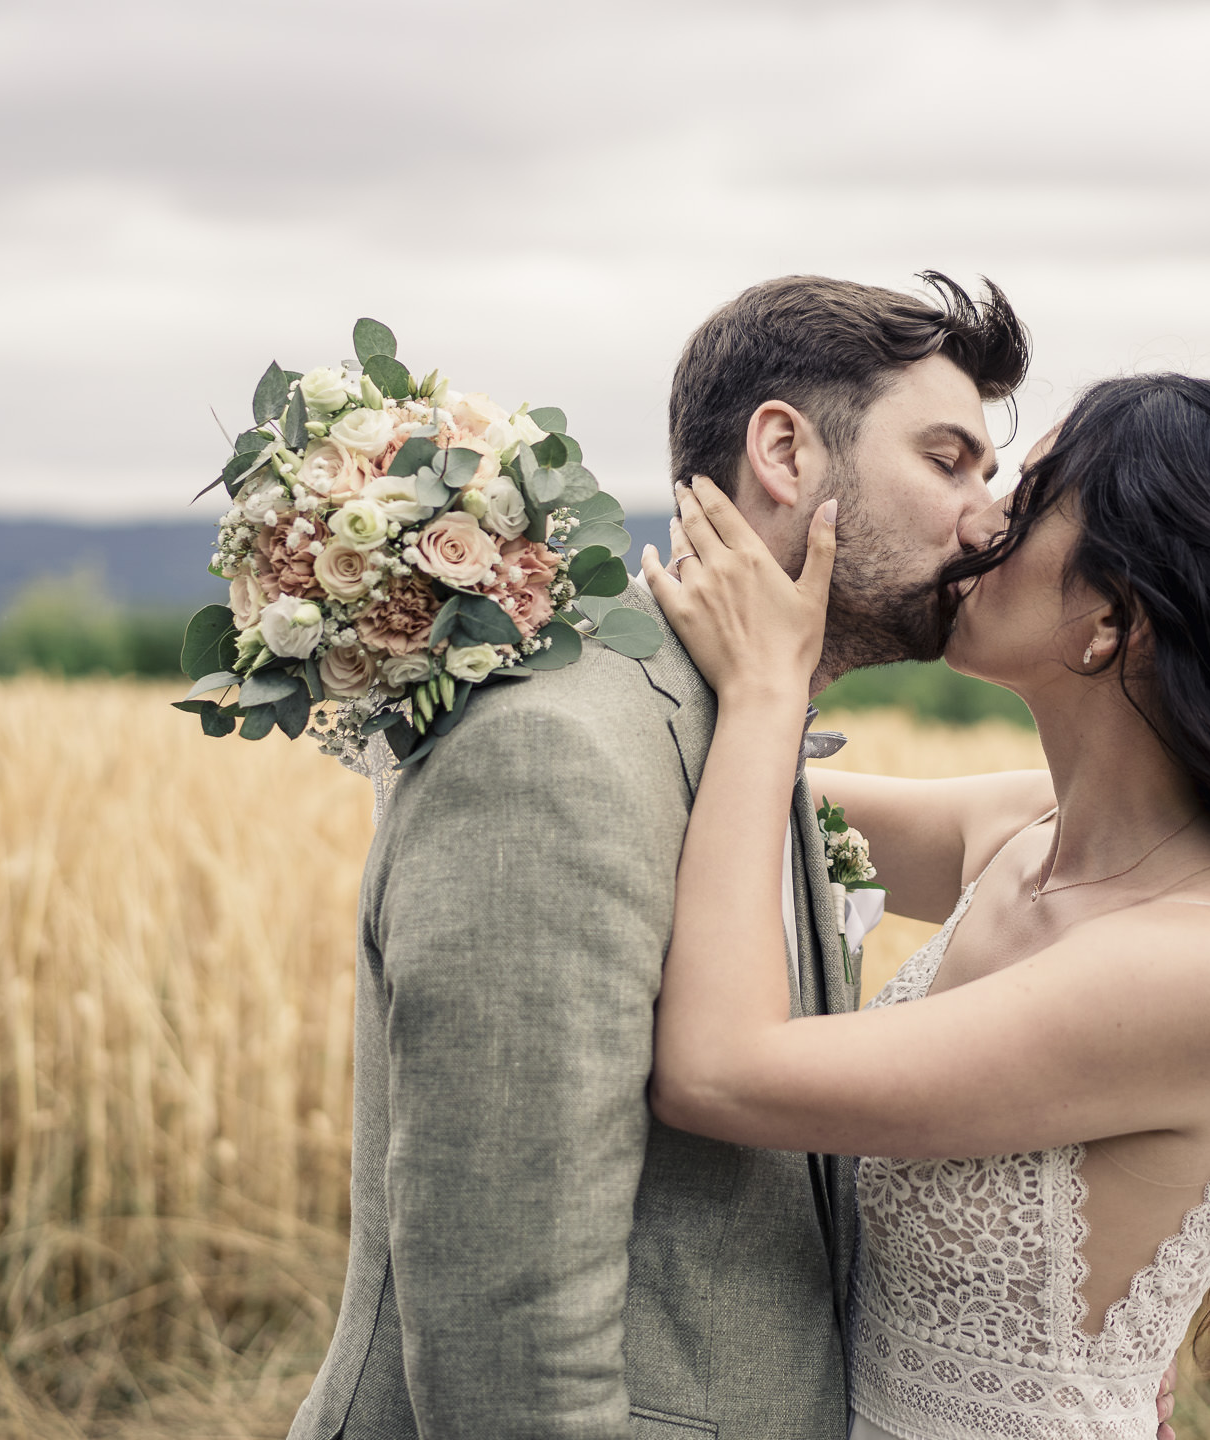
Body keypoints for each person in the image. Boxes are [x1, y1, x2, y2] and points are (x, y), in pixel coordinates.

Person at [642, 375, 1210, 1440]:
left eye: (1026, 502)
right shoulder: (1024, 831)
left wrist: (766, 693)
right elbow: (711, 798)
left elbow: (717, 1073)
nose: (980, 522)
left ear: (1112, 619)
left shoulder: (1207, 963)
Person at [287, 273, 1055, 1440]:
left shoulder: (740, 731)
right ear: (786, 454)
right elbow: (511, 1325)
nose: (985, 519)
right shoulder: (557, 750)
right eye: (949, 461)